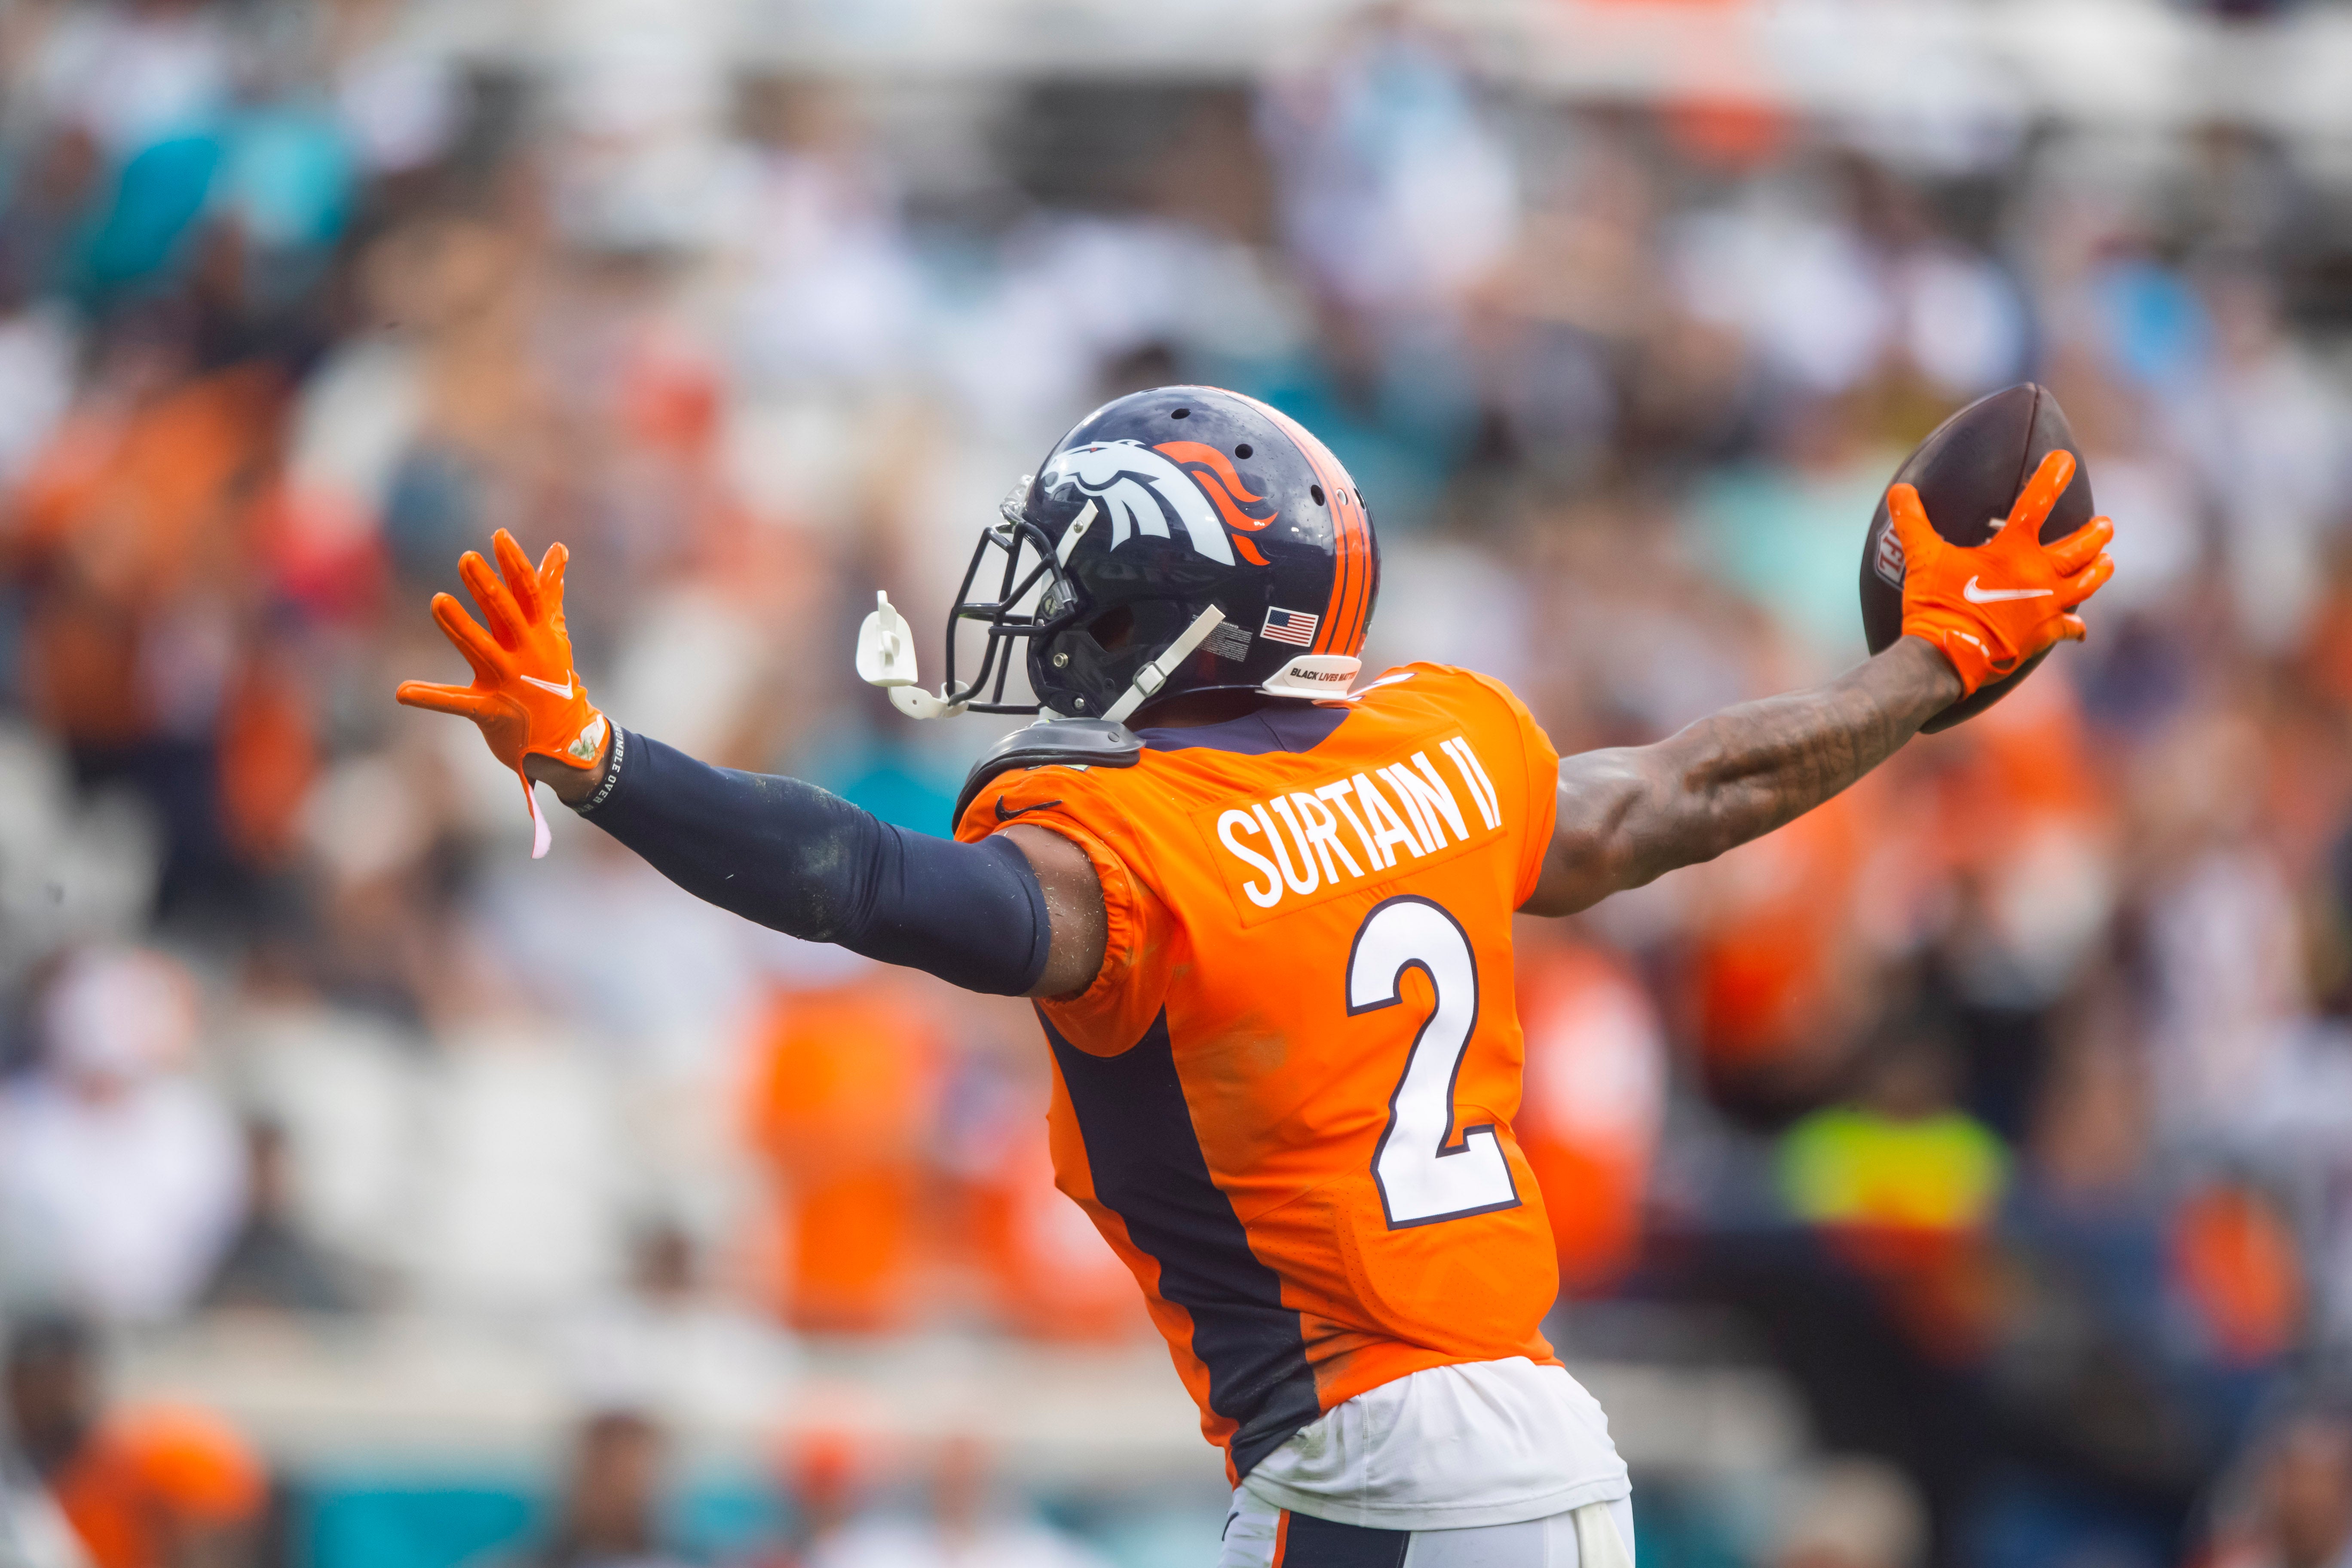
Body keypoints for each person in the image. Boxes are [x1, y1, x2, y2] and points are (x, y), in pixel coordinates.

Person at [396, 386, 2114, 1565]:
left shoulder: (1144, 845)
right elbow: (1688, 787)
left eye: (1081, 579)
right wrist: (1932, 669)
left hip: (1371, 1457)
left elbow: (859, 879)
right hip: (1536, 1437)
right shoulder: (1444, 744)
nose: (1045, 617)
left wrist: (602, 757)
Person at [1, 1314, 267, 1568]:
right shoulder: (24, 1479)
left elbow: (214, 1542)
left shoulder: (162, 1452)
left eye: (55, 1378)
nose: (43, 1398)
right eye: (30, 1381)